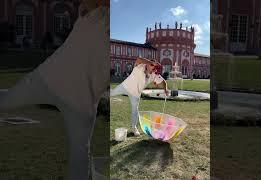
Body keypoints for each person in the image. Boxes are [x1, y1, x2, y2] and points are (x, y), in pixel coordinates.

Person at [0, 0, 107, 179]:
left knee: (80, 155)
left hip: (65, 91)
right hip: (61, 88)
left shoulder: (96, 14)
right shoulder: (97, 13)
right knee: (80, 155)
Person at [110, 57, 169, 136]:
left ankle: (134, 128)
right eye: (152, 65)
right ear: (147, 64)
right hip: (125, 87)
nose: (154, 68)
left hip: (136, 94)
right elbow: (138, 59)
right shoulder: (140, 66)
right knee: (111, 93)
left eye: (155, 67)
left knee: (135, 111)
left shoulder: (154, 74)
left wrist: (166, 89)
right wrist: (150, 62)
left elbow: (163, 82)